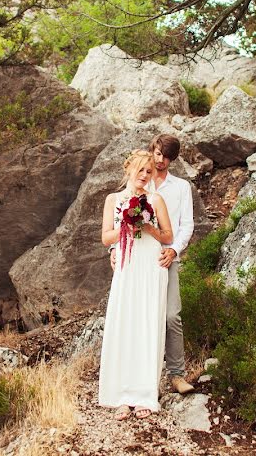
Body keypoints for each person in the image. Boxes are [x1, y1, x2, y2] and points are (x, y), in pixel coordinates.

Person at [98, 149, 174, 421]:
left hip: (151, 265)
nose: (144, 175)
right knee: (125, 324)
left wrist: (148, 226)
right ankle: (121, 395)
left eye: (149, 172)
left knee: (147, 325)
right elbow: (107, 237)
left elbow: (168, 235)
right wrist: (127, 226)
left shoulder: (156, 199)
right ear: (128, 169)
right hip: (127, 266)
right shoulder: (113, 199)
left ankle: (144, 394)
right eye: (140, 170)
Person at [148, 134, 196, 395]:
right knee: (145, 317)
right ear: (152, 151)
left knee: (171, 316)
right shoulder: (141, 181)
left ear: (173, 159)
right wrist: (114, 249)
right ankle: (147, 378)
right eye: (157, 154)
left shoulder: (180, 188)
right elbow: (123, 217)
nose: (160, 160)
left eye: (166, 157)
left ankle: (177, 375)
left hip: (168, 259)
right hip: (141, 259)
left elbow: (187, 224)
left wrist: (174, 250)